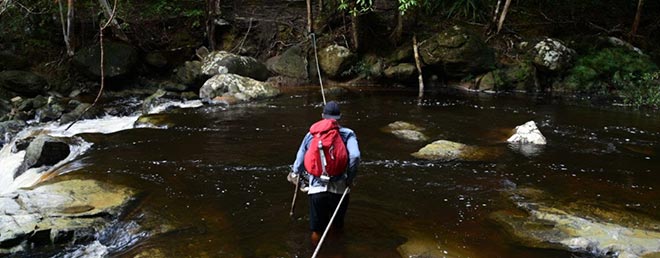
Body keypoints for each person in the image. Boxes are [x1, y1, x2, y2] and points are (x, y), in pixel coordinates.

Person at [289, 101, 361, 244]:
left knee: (317, 230)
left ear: (322, 115)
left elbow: (300, 157)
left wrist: (295, 173)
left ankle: (318, 251)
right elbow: (355, 156)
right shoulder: (348, 134)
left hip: (316, 187)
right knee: (337, 226)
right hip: (340, 188)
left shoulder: (312, 134)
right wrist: (350, 178)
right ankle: (336, 252)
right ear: (340, 116)